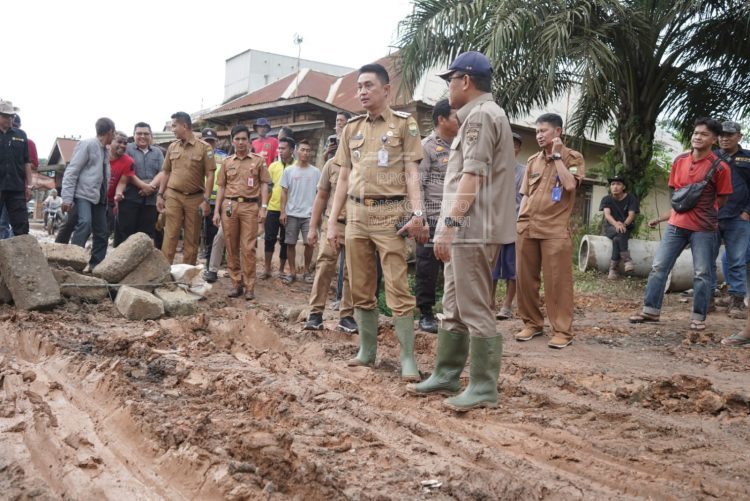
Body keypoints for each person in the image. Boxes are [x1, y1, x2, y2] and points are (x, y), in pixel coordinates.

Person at [406, 51, 516, 411]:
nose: (449, 88)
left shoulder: (480, 118)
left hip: (472, 227)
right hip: (468, 228)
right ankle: (447, 374)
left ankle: (483, 387)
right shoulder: (479, 115)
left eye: (450, 80)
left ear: (465, 81)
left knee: (473, 306)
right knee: (453, 306)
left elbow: (472, 177)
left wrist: (448, 226)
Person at [326, 63, 427, 381]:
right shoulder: (351, 129)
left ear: (386, 89)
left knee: (398, 286)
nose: (362, 92)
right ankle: (367, 351)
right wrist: (333, 222)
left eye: (368, 85)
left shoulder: (404, 125)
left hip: (390, 215)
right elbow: (343, 177)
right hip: (355, 216)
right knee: (359, 287)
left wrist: (418, 213)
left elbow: (412, 173)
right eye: (359, 87)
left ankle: (407, 358)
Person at [629, 118, 732, 330]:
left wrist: (703, 211)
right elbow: (676, 192)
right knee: (659, 267)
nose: (697, 137)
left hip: (704, 228)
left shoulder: (720, 167)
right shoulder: (680, 160)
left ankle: (698, 317)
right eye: (696, 133)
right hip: (676, 224)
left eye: (704, 134)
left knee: (703, 273)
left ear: (714, 139)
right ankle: (650, 311)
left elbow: (722, 199)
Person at [515, 113, 586, 349]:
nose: (539, 135)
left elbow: (569, 185)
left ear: (558, 131)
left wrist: (556, 157)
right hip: (527, 226)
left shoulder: (572, 157)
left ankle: (563, 331)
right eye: (537, 131)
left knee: (557, 282)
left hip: (554, 228)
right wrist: (519, 221)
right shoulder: (533, 161)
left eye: (544, 131)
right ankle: (532, 324)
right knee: (525, 280)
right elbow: (525, 195)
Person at [415, 99, 458, 333]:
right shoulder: (426, 147)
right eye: (455, 116)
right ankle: (425, 313)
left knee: (456, 268)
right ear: (441, 119)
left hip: (456, 218)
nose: (460, 120)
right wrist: (419, 218)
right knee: (427, 267)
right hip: (432, 217)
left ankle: (453, 313)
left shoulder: (463, 146)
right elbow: (417, 185)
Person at [213, 125, 270, 300]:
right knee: (231, 246)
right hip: (229, 206)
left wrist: (264, 207)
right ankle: (236, 283)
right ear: (232, 141)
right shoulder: (227, 162)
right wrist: (216, 211)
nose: (240, 142)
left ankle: (249, 286)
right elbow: (221, 187)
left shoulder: (258, 161)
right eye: (237, 139)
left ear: (248, 140)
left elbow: (264, 184)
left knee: (248, 247)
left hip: (250, 207)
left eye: (243, 139)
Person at [303, 156, 357, 333]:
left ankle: (347, 316)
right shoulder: (332, 164)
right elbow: (321, 196)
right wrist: (312, 227)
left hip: (358, 224)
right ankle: (315, 314)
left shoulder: (366, 161)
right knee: (324, 266)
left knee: (352, 270)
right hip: (333, 223)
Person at [157, 112, 216, 265]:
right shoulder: (172, 146)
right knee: (170, 235)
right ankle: (165, 273)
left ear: (184, 126)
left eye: (174, 126)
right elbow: (166, 172)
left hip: (195, 199)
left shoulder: (204, 148)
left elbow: (210, 175)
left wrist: (206, 200)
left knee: (192, 238)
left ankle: (186, 274)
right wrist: (160, 194)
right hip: (173, 196)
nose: (173, 129)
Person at [61, 117, 116, 269]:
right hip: (83, 194)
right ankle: (72, 262)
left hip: (99, 196)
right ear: (110, 132)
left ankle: (95, 266)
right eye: (114, 133)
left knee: (102, 232)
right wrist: (66, 197)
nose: (114, 136)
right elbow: (72, 171)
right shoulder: (87, 144)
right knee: (84, 223)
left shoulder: (105, 150)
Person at [710, 121, 750, 318]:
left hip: (738, 217)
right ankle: (706, 298)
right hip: (712, 216)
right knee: (707, 258)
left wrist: (747, 212)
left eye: (730, 135)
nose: (725, 138)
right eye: (721, 135)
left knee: (736, 260)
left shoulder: (748, 158)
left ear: (739, 137)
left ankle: (736, 302)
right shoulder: (711, 157)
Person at [494, 131, 526, 319]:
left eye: (513, 145)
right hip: (493, 226)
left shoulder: (524, 171)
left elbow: (525, 200)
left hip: (514, 225)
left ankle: (507, 305)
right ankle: (489, 303)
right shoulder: (493, 169)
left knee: (512, 267)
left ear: (518, 149)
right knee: (491, 267)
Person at [116, 122, 164, 245]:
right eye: (139, 133)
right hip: (130, 199)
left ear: (151, 135)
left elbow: (163, 172)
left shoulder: (158, 152)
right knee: (125, 235)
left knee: (146, 237)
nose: (142, 136)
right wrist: (144, 186)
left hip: (150, 201)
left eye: (146, 134)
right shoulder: (127, 149)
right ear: (134, 135)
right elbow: (126, 171)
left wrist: (151, 187)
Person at [280, 139, 320, 283]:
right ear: (296, 151)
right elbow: (284, 192)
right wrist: (282, 212)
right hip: (291, 213)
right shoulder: (289, 170)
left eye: (308, 150)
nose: (305, 153)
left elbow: (320, 194)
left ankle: (307, 272)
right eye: (302, 149)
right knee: (290, 243)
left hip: (309, 215)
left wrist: (318, 215)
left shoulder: (316, 172)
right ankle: (292, 272)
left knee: (309, 244)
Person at [261, 136, 296, 279]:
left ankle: (281, 270)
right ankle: (267, 269)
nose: (280, 151)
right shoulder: (273, 166)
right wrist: (263, 207)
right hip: (273, 208)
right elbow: (268, 188)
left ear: (292, 150)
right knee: (269, 238)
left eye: (283, 148)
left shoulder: (297, 166)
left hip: (290, 210)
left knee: (285, 240)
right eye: (279, 148)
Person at [0, 100, 33, 237]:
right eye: (6, 116)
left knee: (21, 227)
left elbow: (27, 162)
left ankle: (21, 257)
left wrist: (29, 185)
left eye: (12, 116)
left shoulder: (21, 135)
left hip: (16, 187)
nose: (10, 119)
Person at [200, 128, 228, 280]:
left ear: (216, 142)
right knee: (202, 232)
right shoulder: (198, 155)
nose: (209, 144)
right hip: (199, 198)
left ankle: (211, 265)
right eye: (206, 141)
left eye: (211, 141)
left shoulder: (224, 157)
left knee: (213, 233)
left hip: (217, 201)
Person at [599, 174, 639, 279]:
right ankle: (627, 260)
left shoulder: (631, 198)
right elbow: (607, 214)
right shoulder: (606, 199)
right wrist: (616, 224)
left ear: (623, 187)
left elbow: (631, 215)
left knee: (618, 238)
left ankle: (613, 269)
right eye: (612, 184)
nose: (615, 186)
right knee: (619, 232)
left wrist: (624, 224)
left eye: (618, 184)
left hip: (626, 227)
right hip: (610, 227)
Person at [106, 131, 134, 241]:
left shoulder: (128, 161)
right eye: (119, 142)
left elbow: (122, 182)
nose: (122, 145)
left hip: (109, 201)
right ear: (111, 142)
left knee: (105, 231)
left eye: (125, 143)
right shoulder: (101, 155)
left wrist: (118, 194)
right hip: (92, 197)